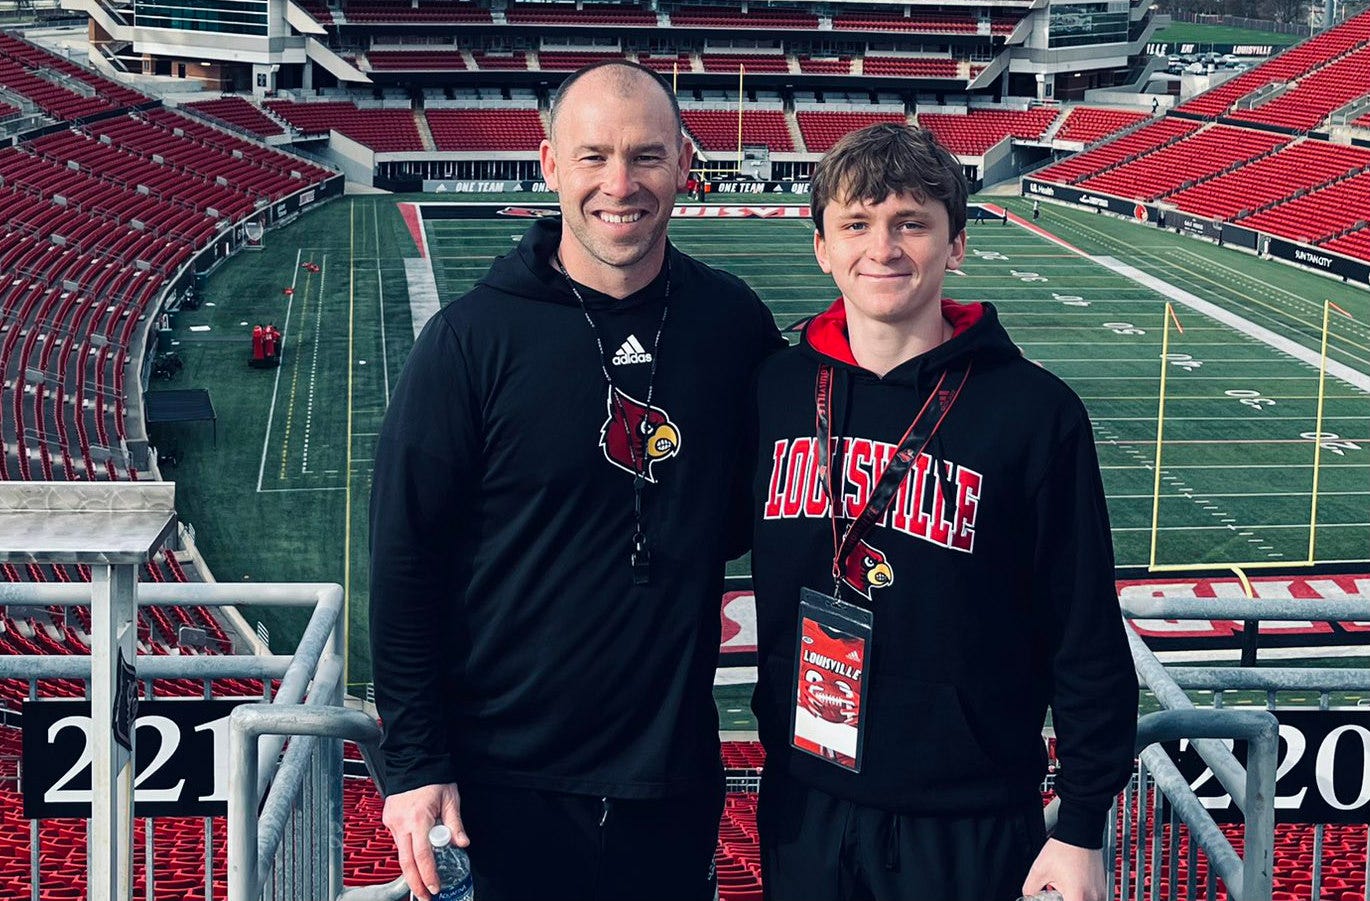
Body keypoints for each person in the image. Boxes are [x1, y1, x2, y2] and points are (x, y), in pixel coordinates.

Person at [369, 60, 783, 901]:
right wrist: (414, 762)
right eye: (594, 156)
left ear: (684, 162)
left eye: (646, 156)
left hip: (669, 780)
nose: (620, 185)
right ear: (552, 164)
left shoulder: (731, 323)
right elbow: (405, 561)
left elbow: (760, 510)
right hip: (503, 784)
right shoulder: (468, 341)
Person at [749, 123, 1136, 901]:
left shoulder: (1035, 412)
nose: (882, 248)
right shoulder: (774, 390)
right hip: (803, 802)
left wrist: (1081, 823)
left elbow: (1084, 631)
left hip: (967, 817)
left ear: (956, 244)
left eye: (910, 223)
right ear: (822, 246)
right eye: (856, 223)